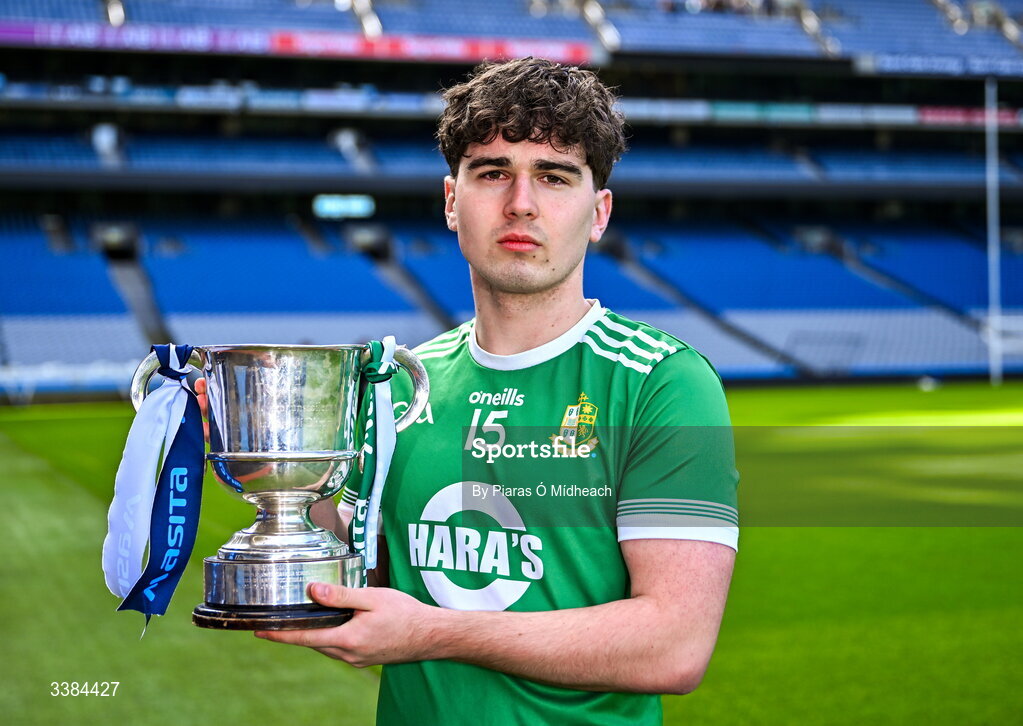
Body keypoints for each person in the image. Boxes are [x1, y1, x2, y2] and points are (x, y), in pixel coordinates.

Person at [246, 57, 739, 725]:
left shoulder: (663, 382)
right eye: (492, 172)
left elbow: (673, 647)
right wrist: (277, 469)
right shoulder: (398, 385)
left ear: (598, 214)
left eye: (554, 176)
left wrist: (434, 632)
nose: (521, 203)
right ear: (452, 201)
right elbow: (360, 574)